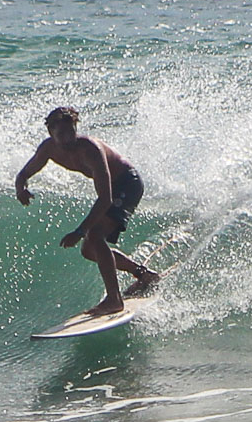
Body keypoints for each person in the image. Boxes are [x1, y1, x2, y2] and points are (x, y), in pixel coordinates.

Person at [14, 106, 159, 315]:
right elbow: (23, 174)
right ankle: (144, 275)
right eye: (61, 134)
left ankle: (114, 299)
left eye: (71, 131)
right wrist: (21, 188)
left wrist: (80, 231)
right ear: (51, 133)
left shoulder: (90, 150)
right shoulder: (48, 149)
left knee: (95, 236)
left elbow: (106, 199)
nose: (67, 138)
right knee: (89, 250)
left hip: (127, 183)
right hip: (114, 187)